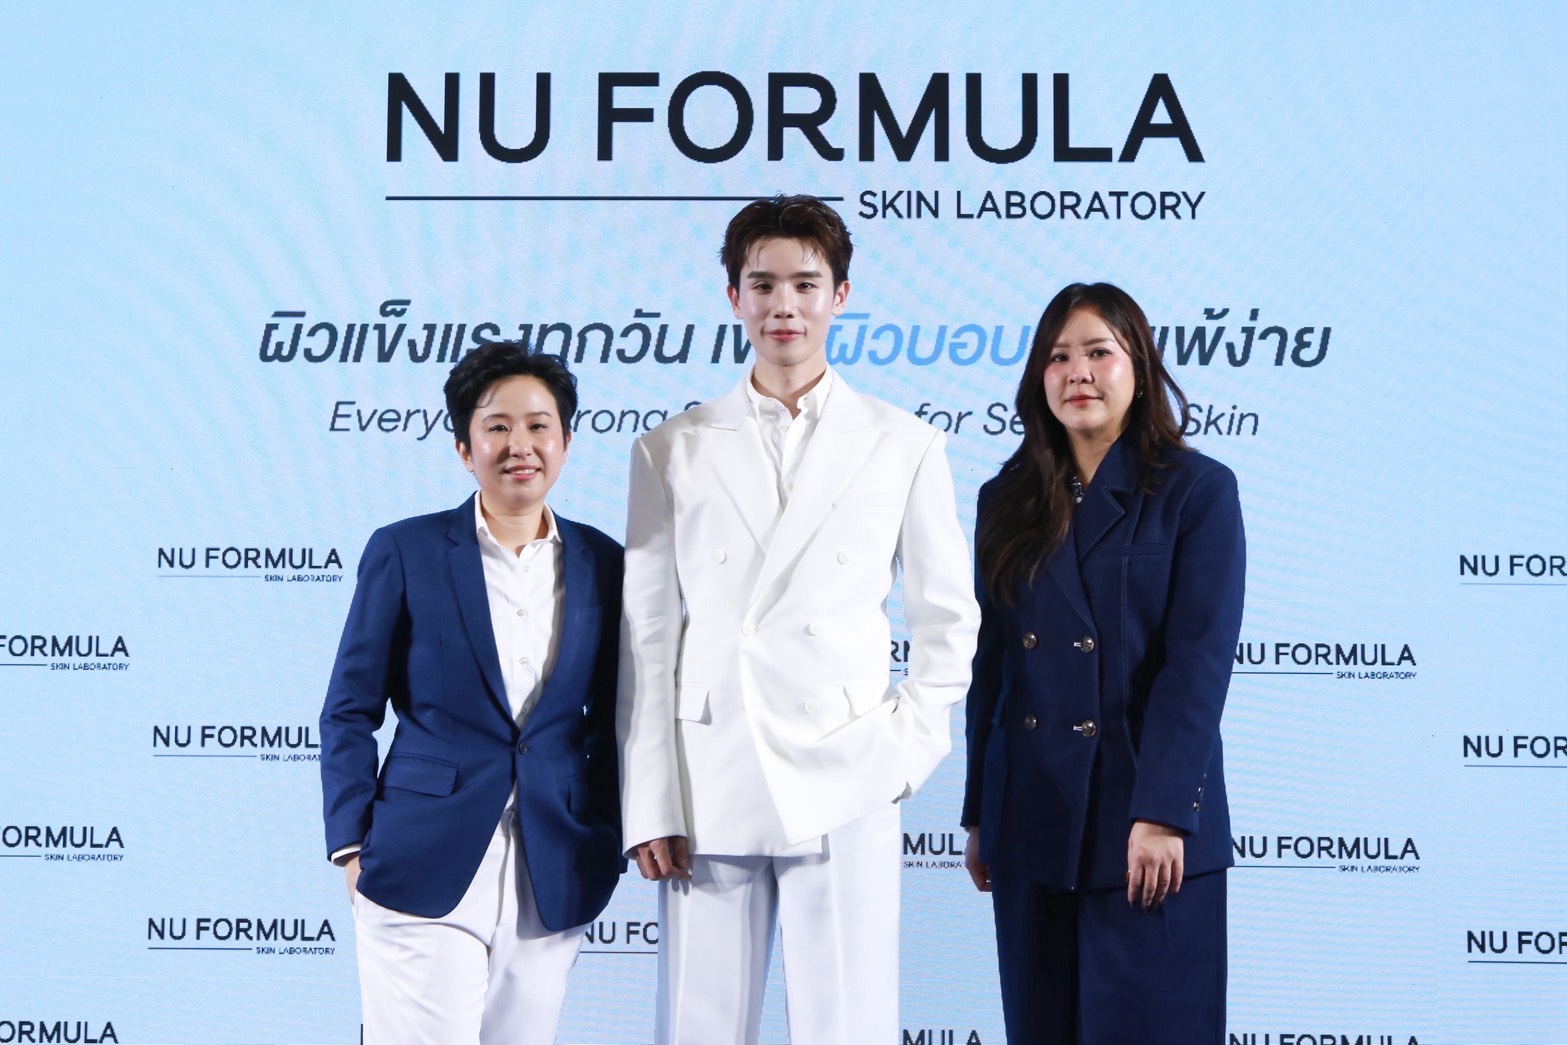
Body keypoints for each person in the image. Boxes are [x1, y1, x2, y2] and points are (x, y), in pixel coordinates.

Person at [617, 194, 981, 1044]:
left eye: (805, 285)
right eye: (763, 284)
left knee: (849, 1026)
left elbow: (946, 619)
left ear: (839, 296)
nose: (784, 305)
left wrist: (902, 751)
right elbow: (647, 638)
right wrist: (651, 799)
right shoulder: (669, 448)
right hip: (710, 774)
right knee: (698, 1030)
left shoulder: (903, 443)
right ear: (733, 296)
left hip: (847, 768)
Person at [961, 282, 1245, 1043]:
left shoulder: (1196, 490)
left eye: (1098, 352)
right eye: (1058, 357)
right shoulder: (1005, 498)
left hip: (1146, 825)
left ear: (1139, 369)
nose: (1077, 372)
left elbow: (1196, 667)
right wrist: (982, 811)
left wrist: (1163, 813)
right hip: (1032, 821)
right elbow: (992, 666)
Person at [319, 344, 624, 1044]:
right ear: (464, 448)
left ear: (566, 441)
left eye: (539, 425)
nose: (520, 445)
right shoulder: (406, 550)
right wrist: (351, 845)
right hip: (420, 854)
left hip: (553, 861)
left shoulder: (605, 561)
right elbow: (349, 708)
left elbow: (613, 719)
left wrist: (606, 832)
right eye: (497, 426)